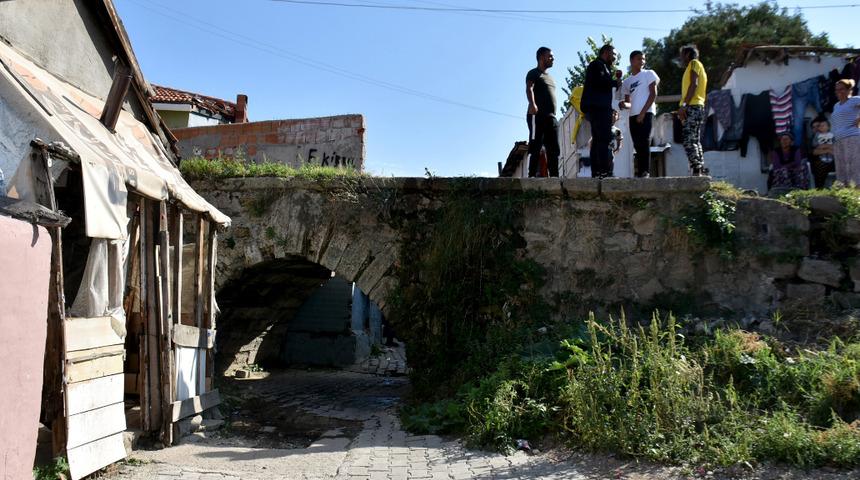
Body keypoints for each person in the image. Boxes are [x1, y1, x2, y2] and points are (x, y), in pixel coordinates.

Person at [582, 44, 621, 178]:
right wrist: (615, 83)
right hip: (598, 108)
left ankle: (597, 172)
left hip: (596, 108)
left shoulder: (602, 66)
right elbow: (602, 82)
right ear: (606, 52)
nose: (615, 58)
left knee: (598, 140)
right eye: (613, 54)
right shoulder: (598, 65)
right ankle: (604, 171)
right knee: (603, 139)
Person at [619, 50, 659, 177]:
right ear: (631, 61)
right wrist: (624, 105)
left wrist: (642, 113)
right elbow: (628, 102)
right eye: (639, 59)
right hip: (633, 116)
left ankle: (645, 172)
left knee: (645, 141)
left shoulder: (649, 74)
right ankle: (640, 172)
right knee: (637, 144)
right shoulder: (627, 82)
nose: (642, 61)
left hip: (646, 113)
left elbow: (653, 94)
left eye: (643, 59)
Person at [525, 47, 560, 177]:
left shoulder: (550, 77)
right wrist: (532, 104)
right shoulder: (533, 73)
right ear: (541, 57)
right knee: (536, 146)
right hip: (536, 116)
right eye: (549, 56)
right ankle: (532, 176)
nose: (552, 58)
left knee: (554, 149)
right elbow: (529, 89)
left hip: (551, 117)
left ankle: (555, 178)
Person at [677, 45, 708, 176]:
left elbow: (694, 84)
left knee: (689, 140)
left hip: (693, 106)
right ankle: (700, 169)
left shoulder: (694, 63)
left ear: (688, 55)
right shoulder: (699, 66)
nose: (681, 58)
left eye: (682, 55)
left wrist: (684, 105)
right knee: (695, 140)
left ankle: (697, 169)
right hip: (697, 106)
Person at [832, 79, 860, 185]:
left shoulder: (854, 100)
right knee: (842, 171)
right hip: (838, 141)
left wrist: (859, 118)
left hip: (852, 138)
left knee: (854, 168)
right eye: (837, 90)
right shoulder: (836, 105)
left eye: (842, 89)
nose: (839, 91)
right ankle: (846, 197)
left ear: (849, 90)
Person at [810, 116, 835, 188]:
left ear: (828, 127)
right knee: (820, 168)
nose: (819, 128)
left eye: (821, 126)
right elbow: (814, 150)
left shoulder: (832, 135)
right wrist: (828, 149)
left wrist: (824, 146)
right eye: (814, 127)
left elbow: (836, 147)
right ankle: (820, 189)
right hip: (819, 162)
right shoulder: (815, 137)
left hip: (832, 160)